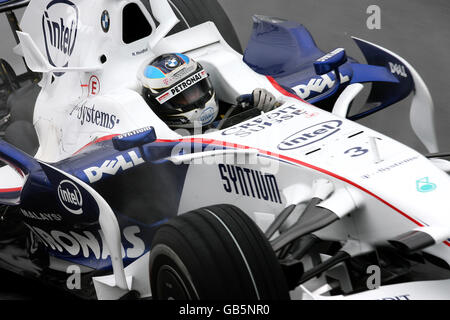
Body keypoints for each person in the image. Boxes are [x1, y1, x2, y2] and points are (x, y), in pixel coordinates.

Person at [138, 53, 280, 132]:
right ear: (160, 106)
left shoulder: (226, 112)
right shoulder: (168, 140)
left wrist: (257, 106)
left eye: (197, 89)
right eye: (182, 98)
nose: (196, 99)